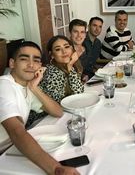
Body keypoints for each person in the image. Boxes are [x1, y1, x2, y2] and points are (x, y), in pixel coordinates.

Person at [0, 41, 80, 175]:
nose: (31, 65)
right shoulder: (4, 86)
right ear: (12, 63)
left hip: (12, 149)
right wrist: (55, 168)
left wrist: (34, 87)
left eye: (36, 60)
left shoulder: (26, 87)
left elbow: (57, 111)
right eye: (24, 59)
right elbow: (16, 131)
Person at [39, 35, 84, 103]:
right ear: (52, 55)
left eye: (66, 47)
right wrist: (70, 65)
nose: (64, 51)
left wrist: (70, 66)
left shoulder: (69, 66)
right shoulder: (51, 72)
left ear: (71, 48)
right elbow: (77, 96)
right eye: (58, 49)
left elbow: (79, 93)